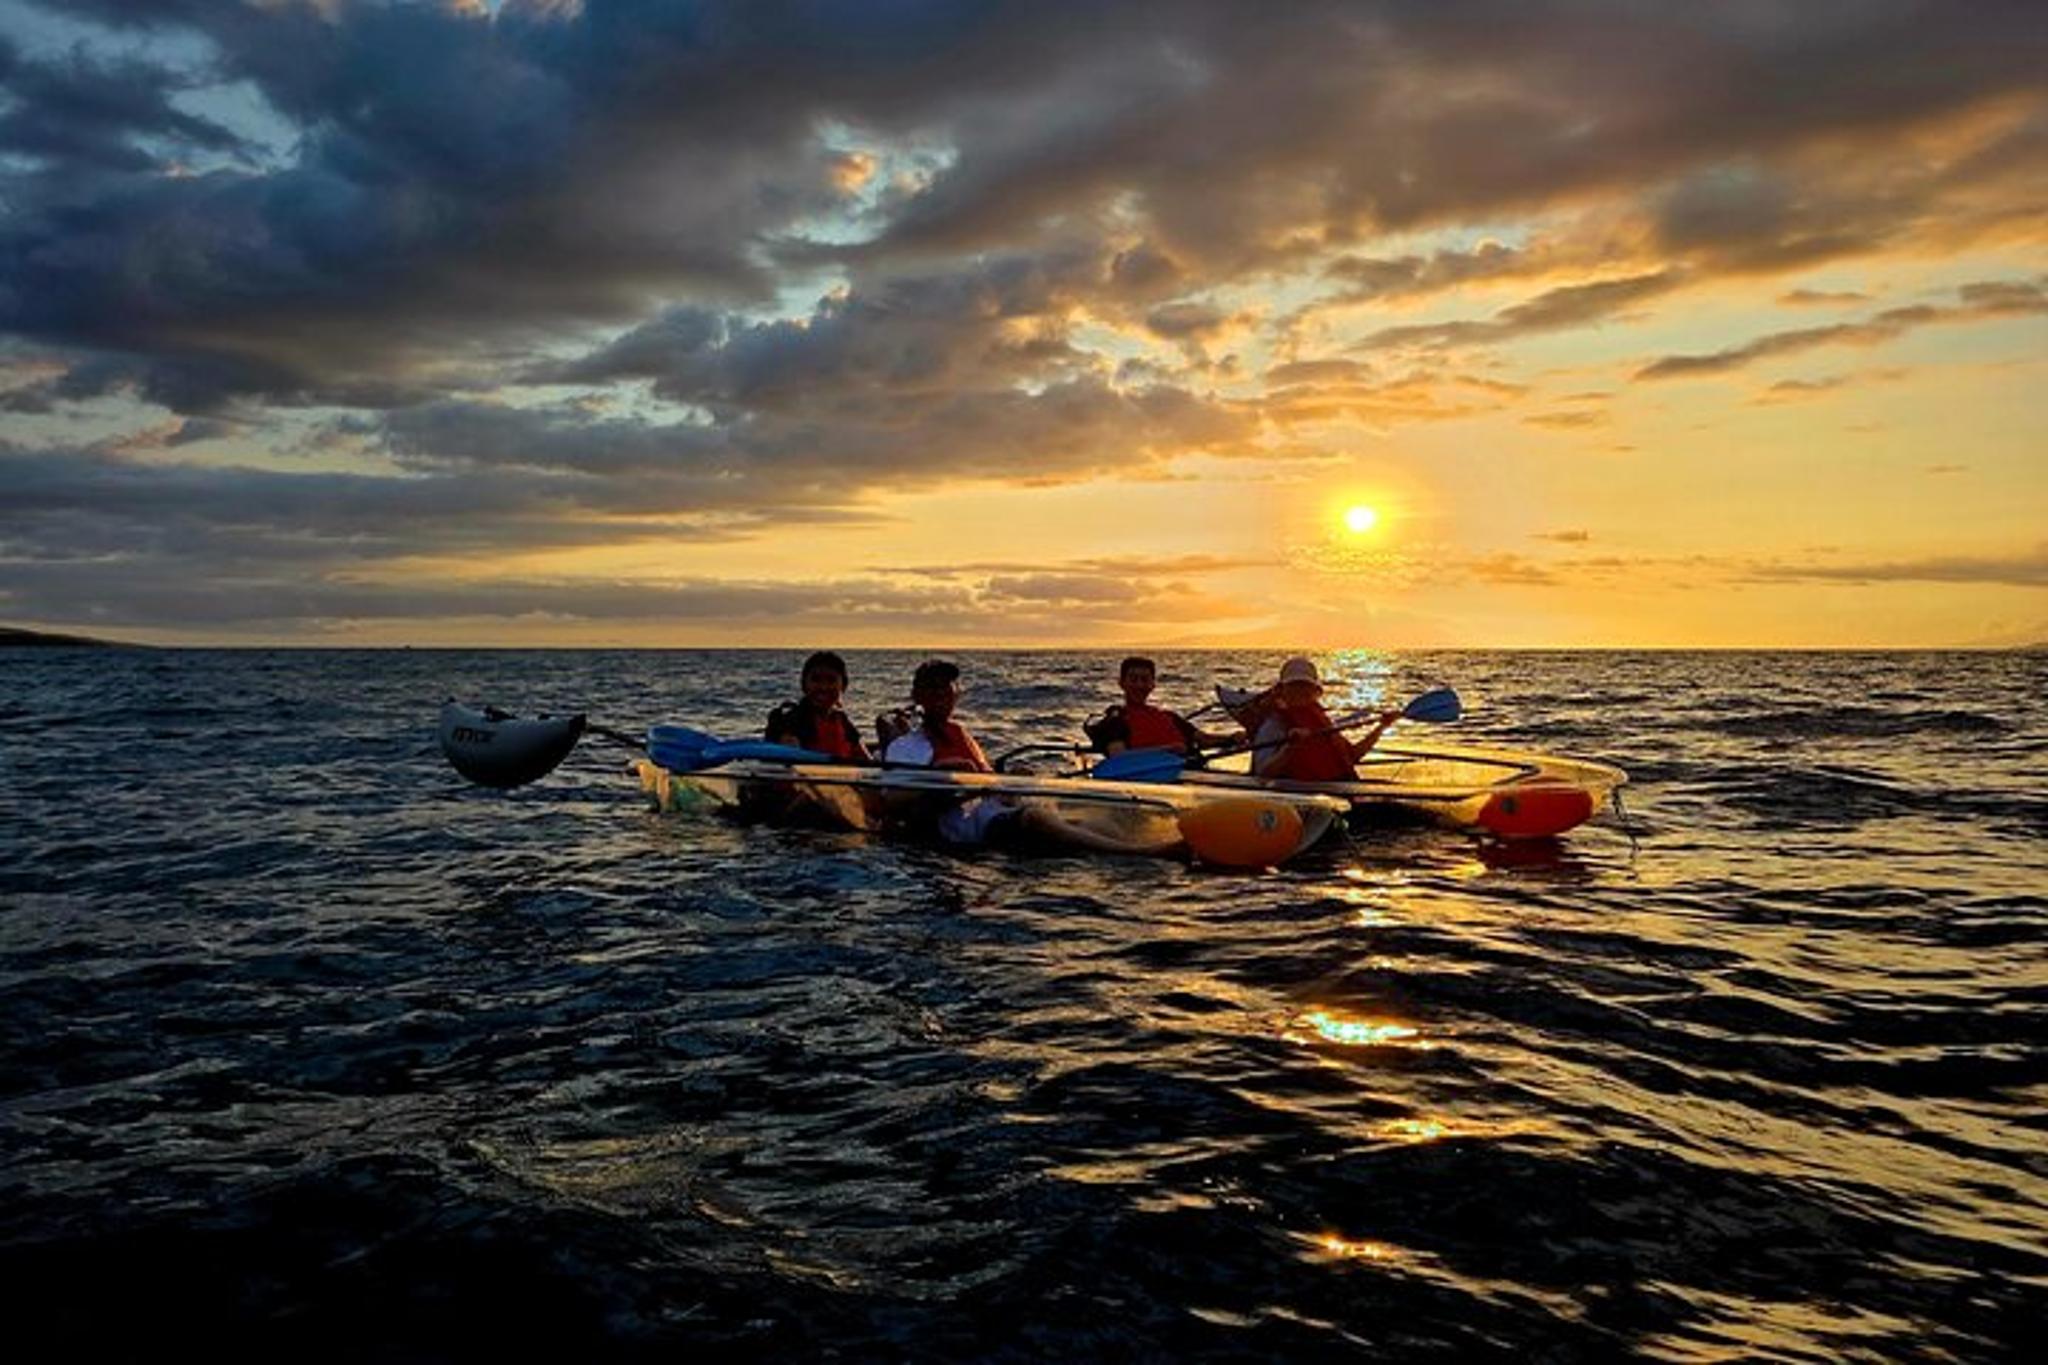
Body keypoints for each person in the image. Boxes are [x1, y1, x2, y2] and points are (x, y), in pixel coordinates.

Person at [1249, 656, 1399, 781]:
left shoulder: (1321, 721)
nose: (1301, 691)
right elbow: (1262, 774)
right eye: (1294, 685)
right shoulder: (1273, 726)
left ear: (1315, 690)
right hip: (1303, 802)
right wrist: (1289, 748)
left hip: (1338, 794)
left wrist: (1382, 727)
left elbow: (1353, 755)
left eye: (1305, 685)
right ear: (1282, 690)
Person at [1084, 656, 1239, 756]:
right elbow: (1119, 756)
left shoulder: (1168, 717)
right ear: (1121, 683)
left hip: (1189, 775)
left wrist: (1233, 738)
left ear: (1152, 685)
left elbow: (1204, 739)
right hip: (1148, 781)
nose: (1139, 685)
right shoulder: (1115, 721)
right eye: (1133, 679)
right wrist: (1167, 750)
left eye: (1144, 680)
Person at [876, 659, 993, 772]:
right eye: (933, 689)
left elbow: (986, 773)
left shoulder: (957, 732)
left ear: (956, 694)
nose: (941, 696)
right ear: (916, 695)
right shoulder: (904, 747)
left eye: (946, 689)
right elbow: (899, 790)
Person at [765, 650, 871, 761]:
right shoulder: (792, 721)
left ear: (843, 685)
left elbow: (867, 760)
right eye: (816, 680)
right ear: (804, 684)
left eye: (831, 680)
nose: (823, 687)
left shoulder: (842, 720)